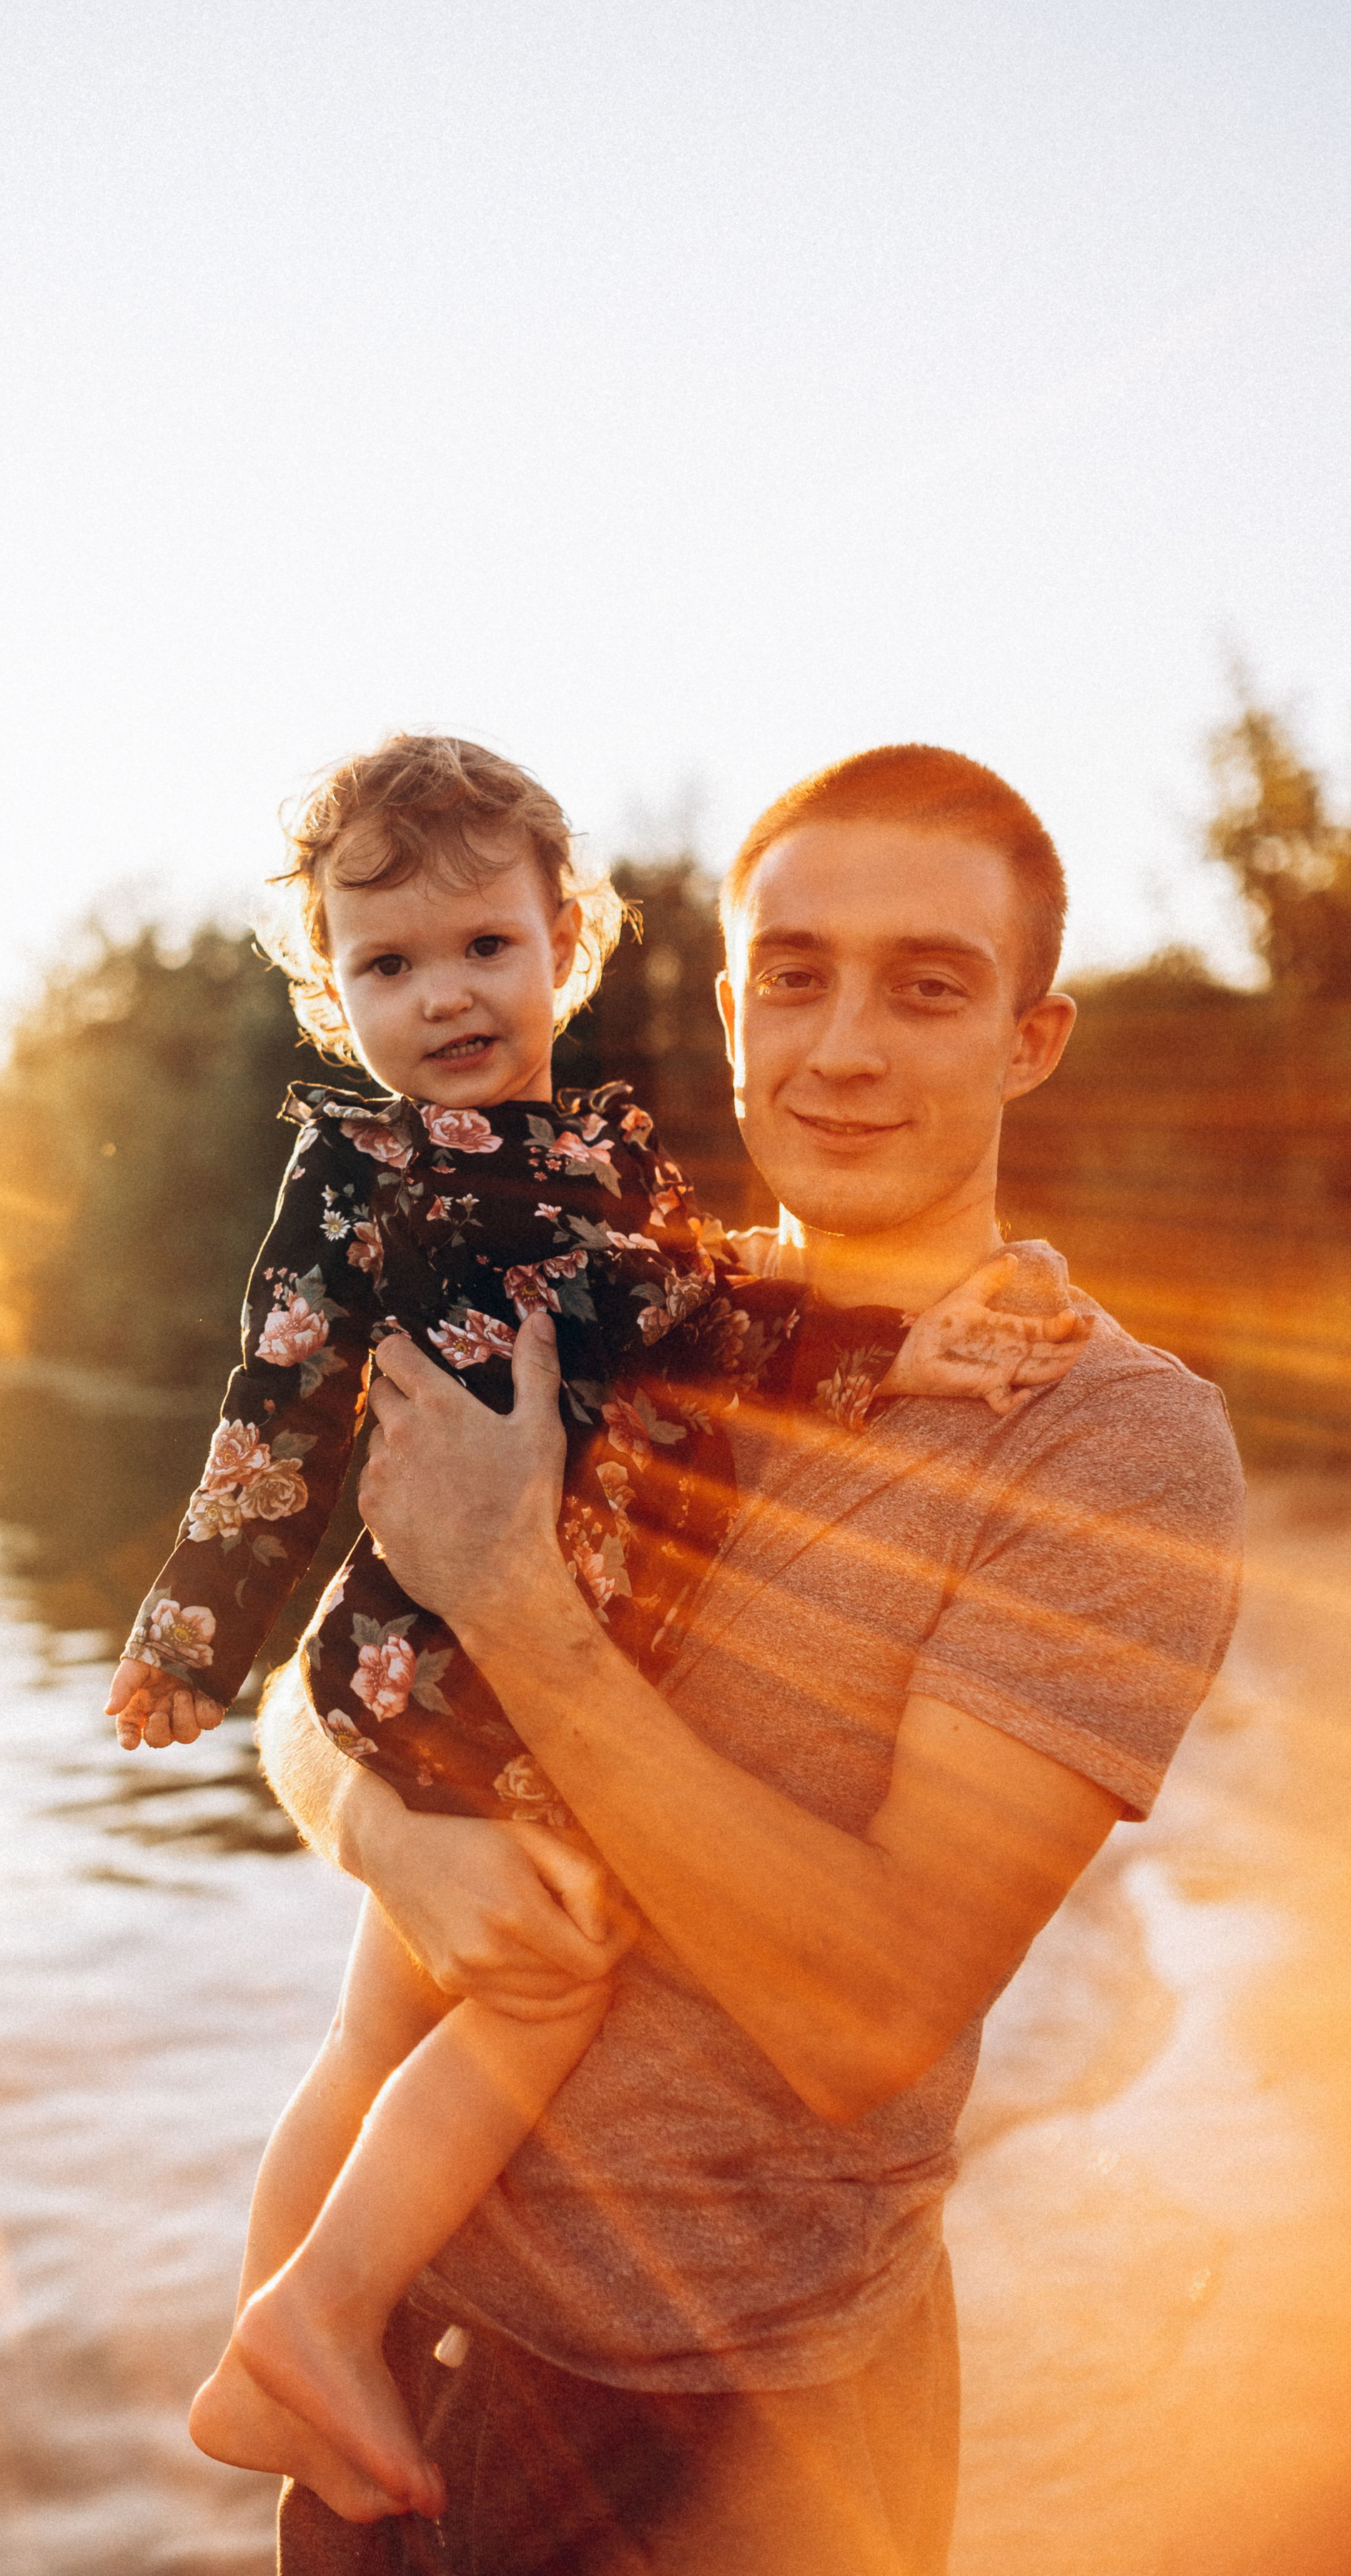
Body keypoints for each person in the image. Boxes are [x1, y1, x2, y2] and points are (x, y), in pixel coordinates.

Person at [205, 742, 1246, 2575]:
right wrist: (385, 1836)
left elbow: (863, 2016)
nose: (840, 1044)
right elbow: (329, 1662)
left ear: (1027, 1038)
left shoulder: (1104, 1444)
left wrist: (515, 1603)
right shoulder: (620, 1299)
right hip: (405, 2348)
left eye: (926, 985)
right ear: (724, 1002)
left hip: (728, 2426)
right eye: (796, 972)